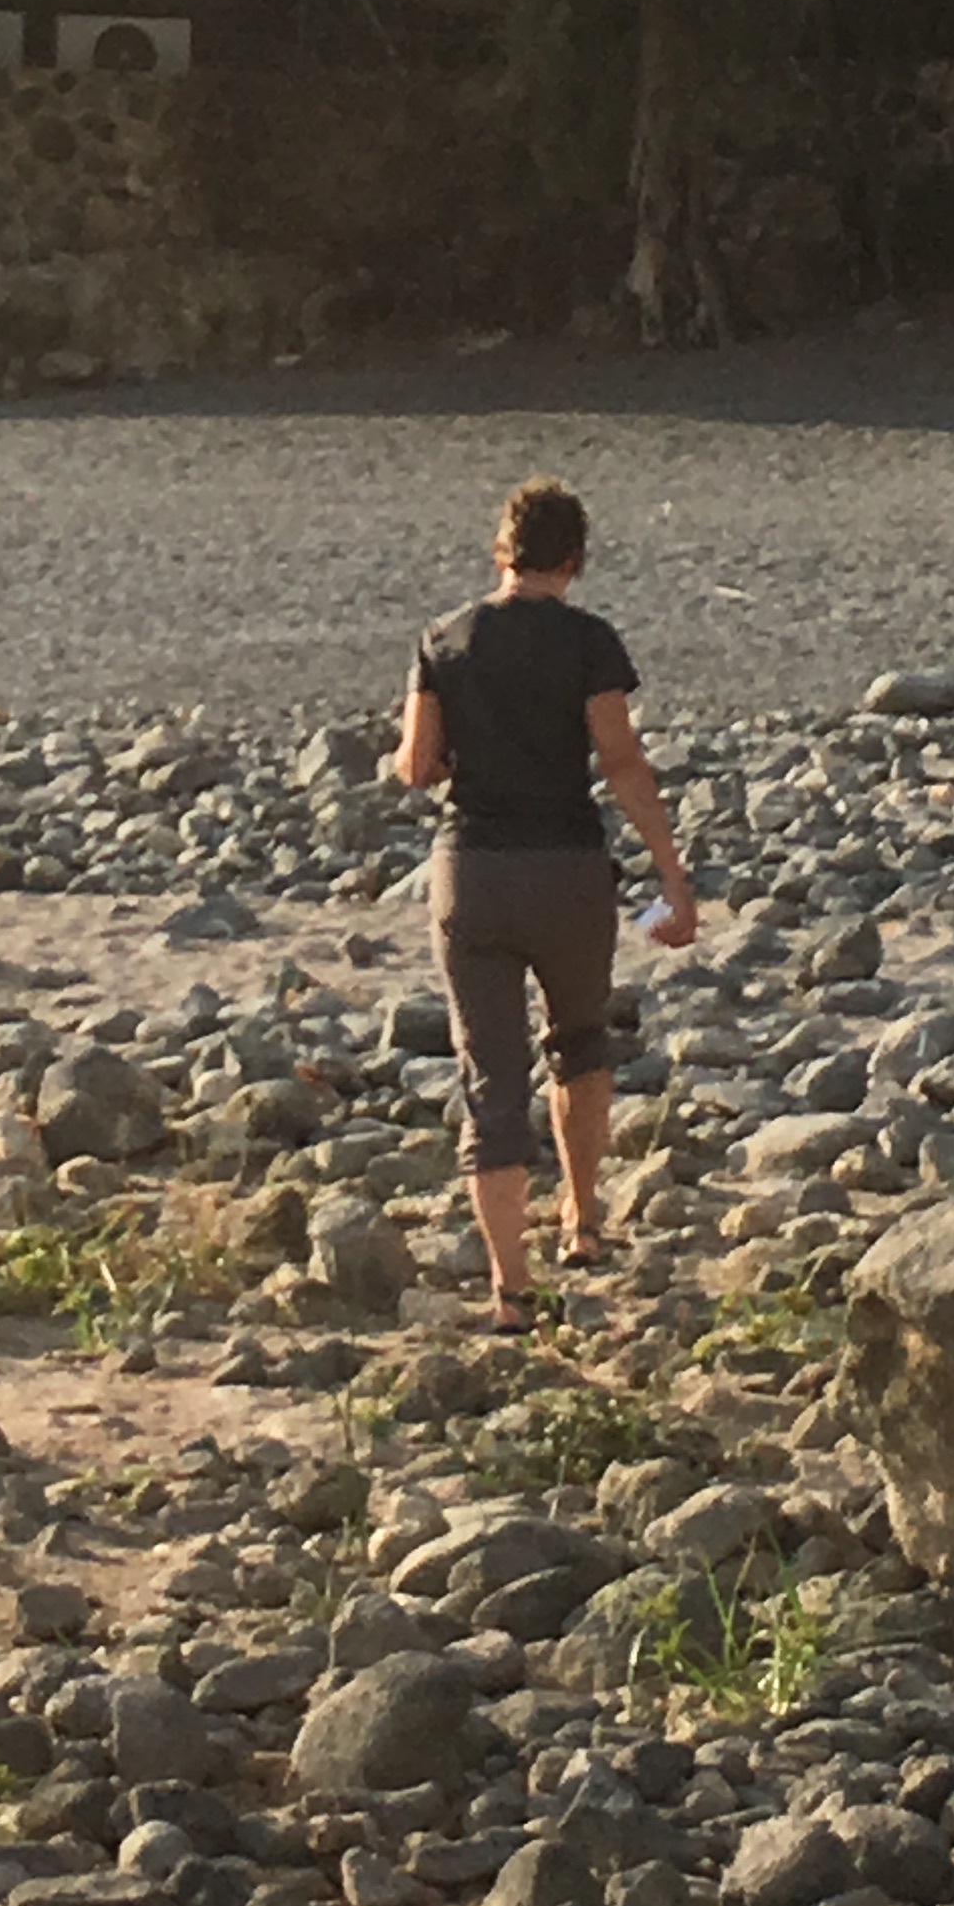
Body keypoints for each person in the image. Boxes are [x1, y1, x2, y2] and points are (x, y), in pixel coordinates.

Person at [395, 477, 697, 1330]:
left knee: (491, 1077)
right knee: (579, 1040)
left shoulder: (444, 639)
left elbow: (416, 767)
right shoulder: (588, 642)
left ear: (501, 550)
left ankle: (510, 1287)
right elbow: (620, 760)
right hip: (568, 867)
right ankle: (583, 1219)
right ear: (574, 559)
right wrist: (671, 875)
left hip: (474, 872)